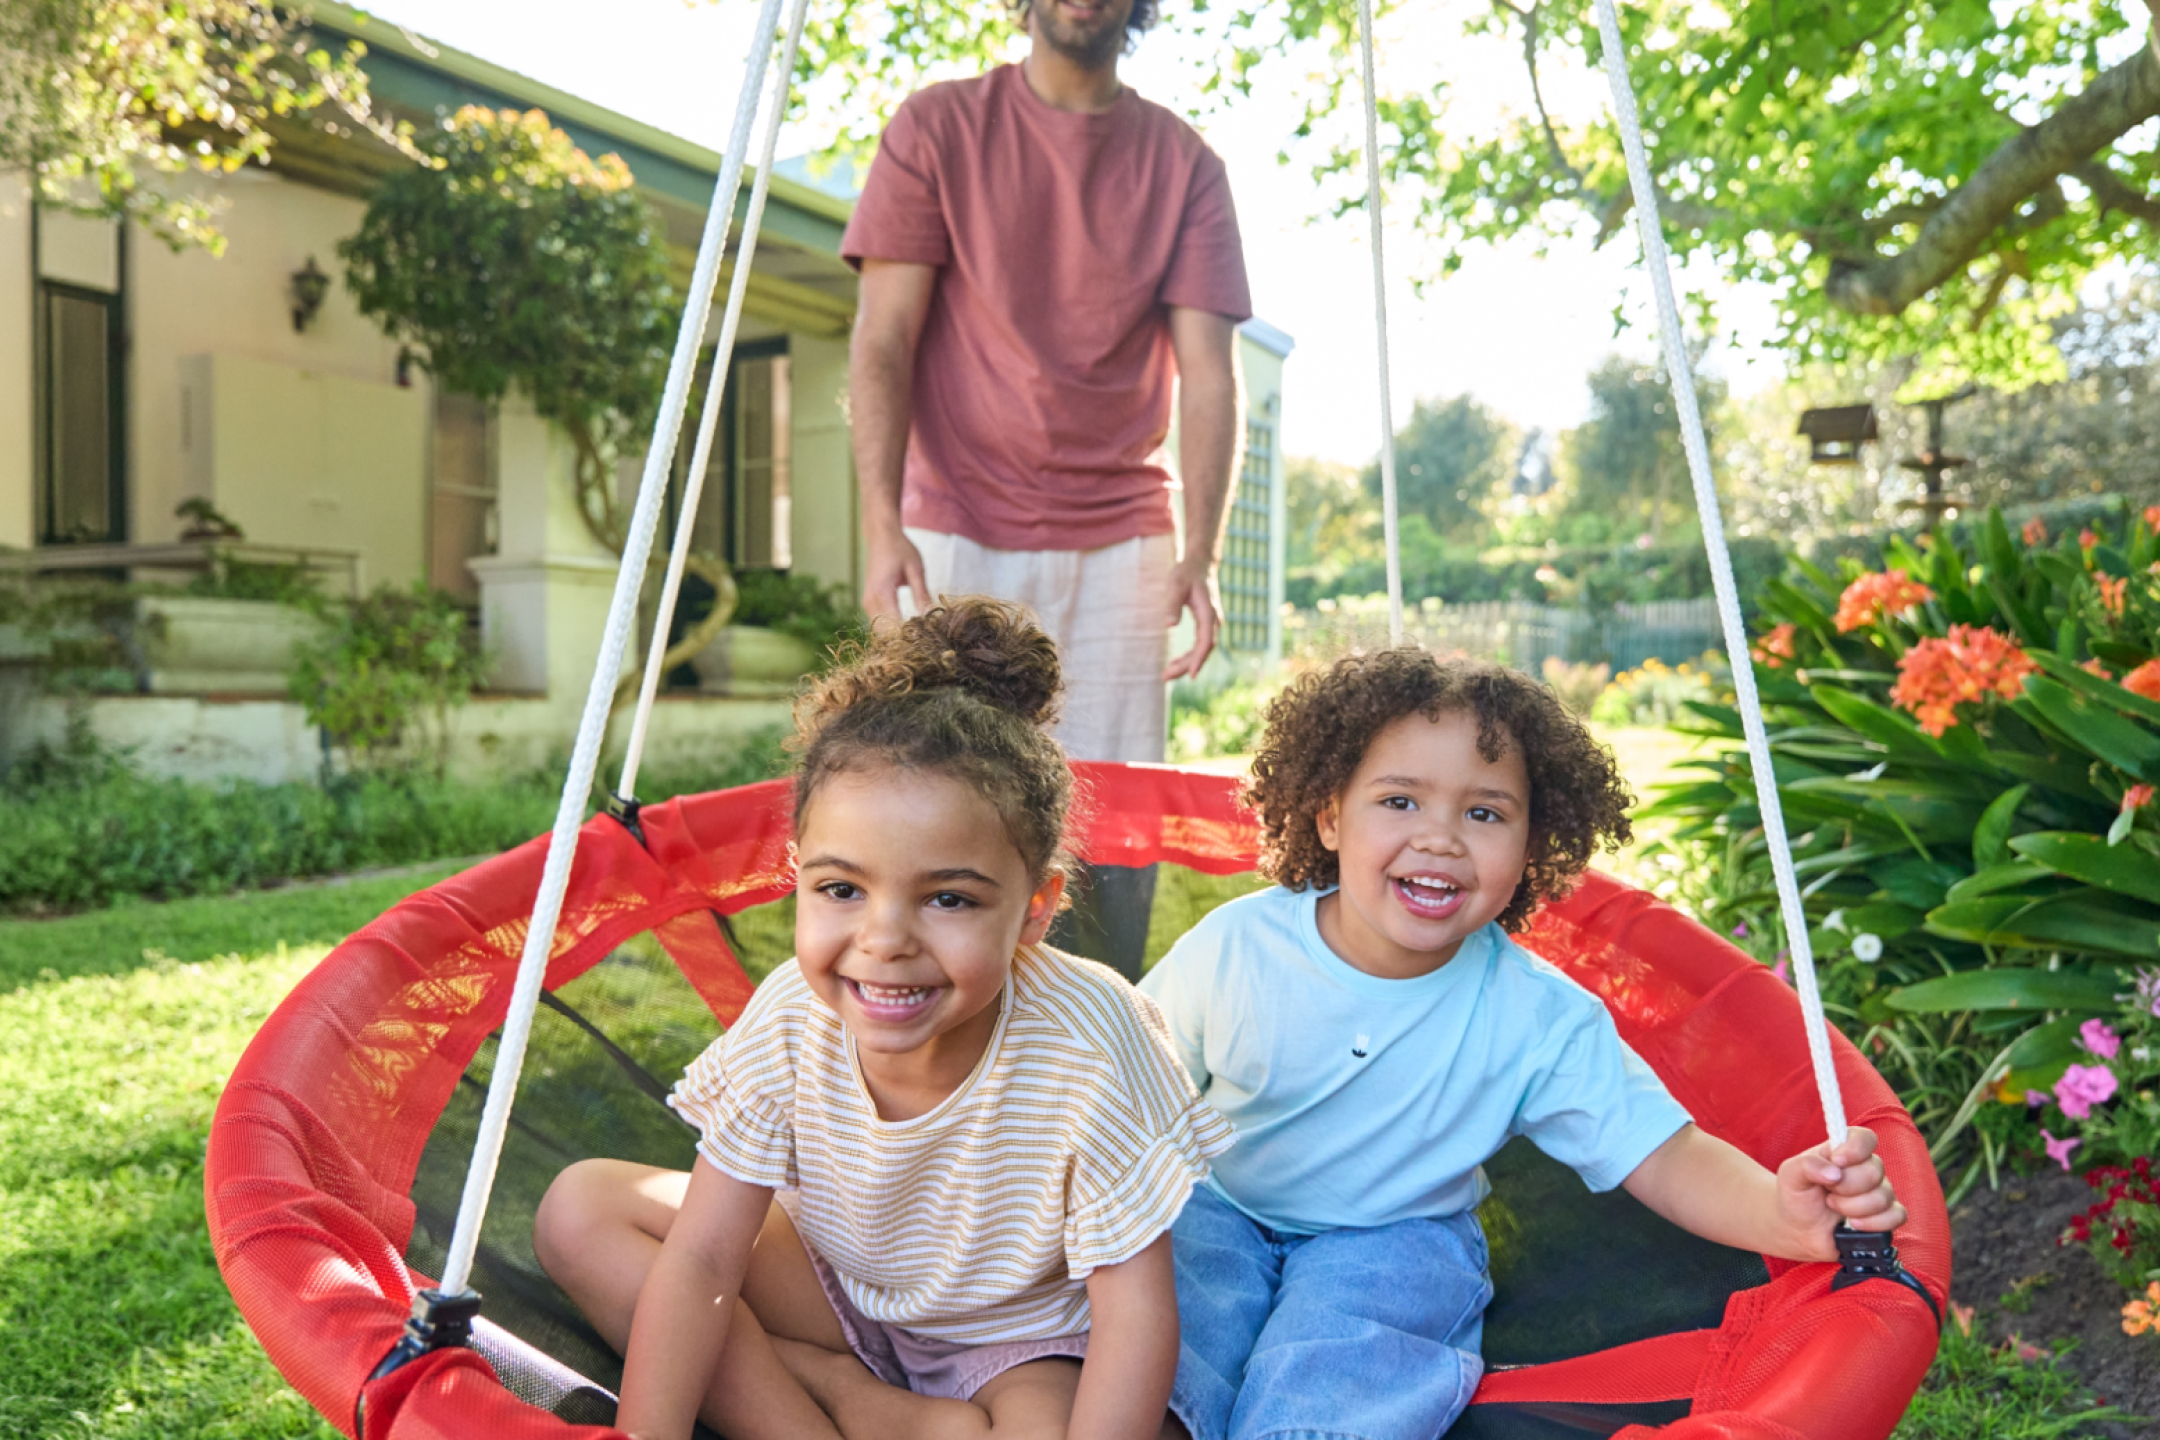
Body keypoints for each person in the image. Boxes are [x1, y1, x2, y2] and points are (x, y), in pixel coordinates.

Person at [1139, 650, 1908, 1440]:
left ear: (1532, 843)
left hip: (1398, 1235)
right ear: (1329, 815)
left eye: (1485, 814)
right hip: (1222, 1204)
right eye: (1400, 801)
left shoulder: (1536, 1015)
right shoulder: (1237, 948)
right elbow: (1125, 1085)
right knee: (1168, 1325)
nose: (1439, 839)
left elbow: (1663, 1153)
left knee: (1345, 1357)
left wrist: (1779, 1217)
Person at [531, 597, 1235, 1440]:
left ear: (1037, 907)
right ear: (797, 875)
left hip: (1012, 1344)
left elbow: (1134, 1319)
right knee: (581, 1212)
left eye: (948, 898)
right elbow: (707, 1257)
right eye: (842, 889)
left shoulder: (1093, 1042)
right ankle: (839, 1400)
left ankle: (861, 1403)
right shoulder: (793, 1016)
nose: (885, 940)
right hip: (829, 1292)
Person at [842, 0, 1252, 978]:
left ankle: (1097, 1033)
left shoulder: (1186, 164)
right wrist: (882, 524)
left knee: (1112, 823)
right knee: (936, 794)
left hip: (1124, 536)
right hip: (956, 522)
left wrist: (1201, 552)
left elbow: (1210, 374)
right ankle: (927, 1023)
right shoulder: (938, 127)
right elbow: (883, 336)